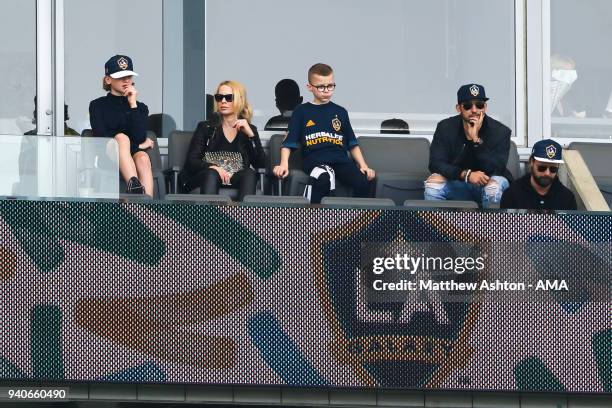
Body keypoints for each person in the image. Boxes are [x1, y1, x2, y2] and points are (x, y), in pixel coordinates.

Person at [272, 63, 375, 204]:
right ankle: (312, 219)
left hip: (340, 161)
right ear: (310, 87)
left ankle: (355, 222)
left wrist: (363, 165)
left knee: (362, 182)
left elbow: (352, 143)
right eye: (321, 87)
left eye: (330, 86)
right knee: (323, 177)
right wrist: (284, 164)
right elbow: (288, 143)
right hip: (315, 160)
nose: (326, 91)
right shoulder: (301, 111)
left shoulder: (341, 112)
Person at [425, 83, 512, 208]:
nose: (474, 110)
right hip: (458, 182)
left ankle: (491, 226)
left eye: (479, 105)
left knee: (493, 187)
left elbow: (496, 168)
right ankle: (440, 227)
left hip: (488, 182)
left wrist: (476, 140)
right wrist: (466, 175)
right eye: (467, 105)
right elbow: (435, 163)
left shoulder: (500, 131)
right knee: (433, 184)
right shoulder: (445, 127)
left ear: (485, 107)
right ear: (459, 108)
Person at [179, 80, 265, 201]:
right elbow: (191, 162)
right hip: (207, 176)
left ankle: (243, 217)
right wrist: (214, 167)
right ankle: (212, 219)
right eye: (219, 97)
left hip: (235, 176)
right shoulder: (206, 127)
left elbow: (261, 164)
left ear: (239, 100)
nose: (223, 101)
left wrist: (252, 136)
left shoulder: (249, 130)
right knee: (212, 174)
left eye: (228, 97)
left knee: (250, 174)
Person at [89, 55, 154, 196]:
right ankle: (134, 185)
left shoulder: (140, 107)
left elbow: (139, 136)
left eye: (129, 76)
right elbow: (101, 137)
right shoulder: (97, 105)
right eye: (120, 77)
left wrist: (133, 104)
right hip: (108, 154)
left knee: (143, 158)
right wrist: (138, 146)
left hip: (133, 154)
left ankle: (148, 206)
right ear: (108, 79)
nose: (126, 80)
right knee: (121, 138)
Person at [501, 139, 577, 210]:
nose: (547, 173)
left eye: (553, 169)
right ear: (531, 162)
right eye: (542, 167)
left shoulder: (567, 198)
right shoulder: (512, 194)